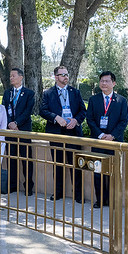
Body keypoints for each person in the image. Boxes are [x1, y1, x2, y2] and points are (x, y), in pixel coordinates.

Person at [40, 65, 86, 202]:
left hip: (73, 133)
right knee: (58, 164)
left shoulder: (75, 92)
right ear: (56, 77)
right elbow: (42, 110)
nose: (66, 77)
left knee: (76, 165)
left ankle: (78, 195)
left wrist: (76, 120)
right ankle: (58, 192)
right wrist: (55, 118)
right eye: (62, 75)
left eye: (67, 74)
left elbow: (83, 111)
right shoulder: (48, 93)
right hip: (56, 133)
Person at [85, 71, 128, 208]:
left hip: (114, 143)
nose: (104, 83)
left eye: (107, 81)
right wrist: (100, 135)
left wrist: (112, 136)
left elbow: (123, 121)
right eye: (102, 81)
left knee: (113, 172)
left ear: (114, 83)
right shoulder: (93, 100)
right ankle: (100, 199)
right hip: (98, 142)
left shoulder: (121, 101)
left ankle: (111, 200)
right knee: (97, 172)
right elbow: (90, 119)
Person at [2, 67, 35, 194]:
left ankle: (28, 186)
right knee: (11, 159)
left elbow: (28, 111)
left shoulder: (29, 93)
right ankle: (12, 185)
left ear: (21, 77)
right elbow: (4, 109)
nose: (11, 78)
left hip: (23, 130)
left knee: (26, 159)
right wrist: (10, 122)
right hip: (10, 131)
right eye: (10, 76)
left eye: (13, 75)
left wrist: (16, 123)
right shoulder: (7, 93)